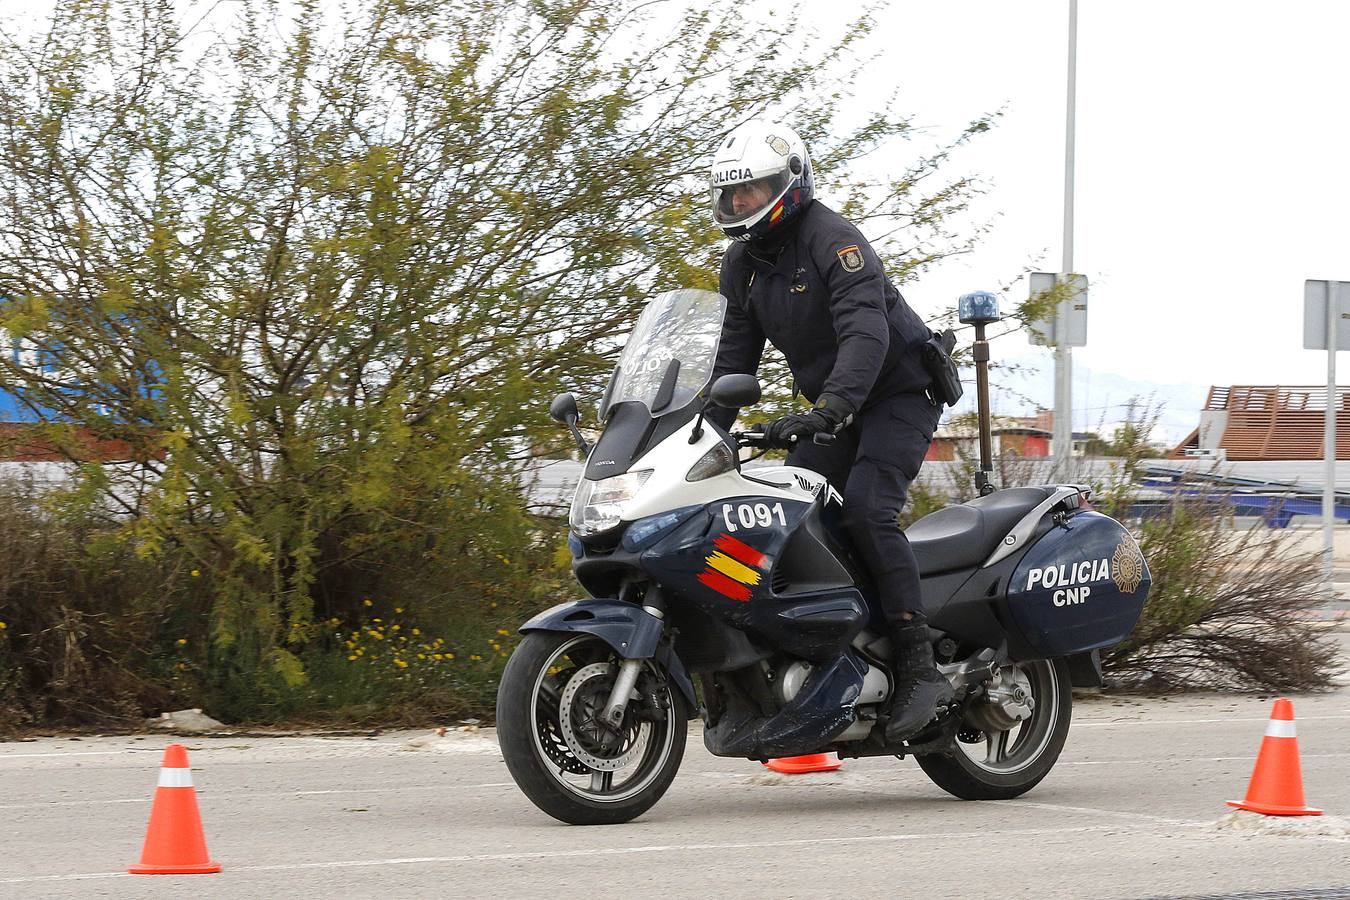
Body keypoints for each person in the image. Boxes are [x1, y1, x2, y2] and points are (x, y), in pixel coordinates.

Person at [706, 119, 949, 742]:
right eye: (732, 195)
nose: (739, 205)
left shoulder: (833, 239)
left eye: (751, 192)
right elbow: (734, 359)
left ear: (788, 184)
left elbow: (865, 332)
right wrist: (701, 433)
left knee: (868, 508)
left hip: (897, 392)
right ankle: (829, 648)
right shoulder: (743, 264)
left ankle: (920, 663)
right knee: (787, 512)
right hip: (834, 407)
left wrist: (833, 407)